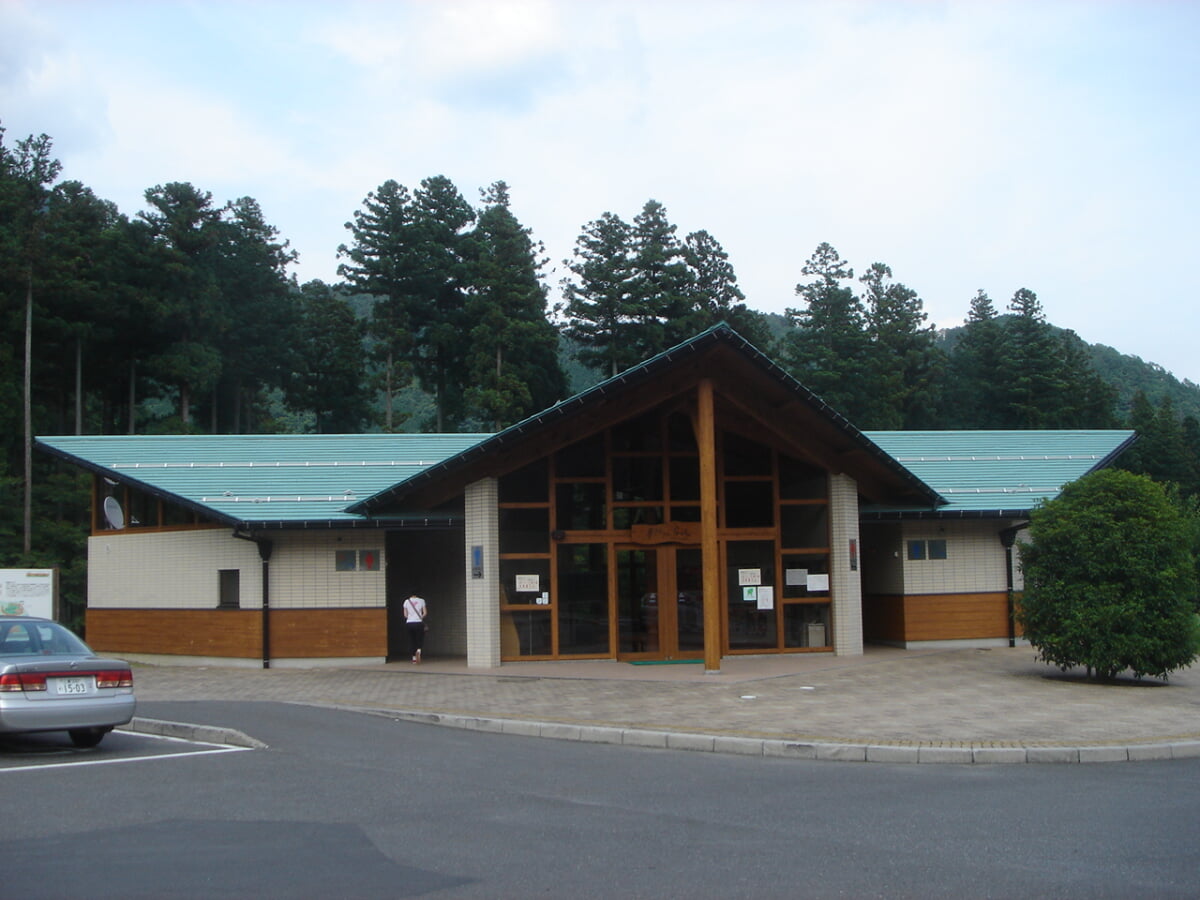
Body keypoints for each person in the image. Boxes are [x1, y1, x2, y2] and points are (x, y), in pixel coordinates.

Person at [403, 594, 427, 664]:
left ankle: (414, 658)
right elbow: (425, 613)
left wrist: (410, 617)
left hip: (409, 623)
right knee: (419, 639)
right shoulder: (422, 601)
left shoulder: (406, 601)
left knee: (412, 640)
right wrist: (420, 617)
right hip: (418, 623)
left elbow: (405, 615)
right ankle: (419, 650)